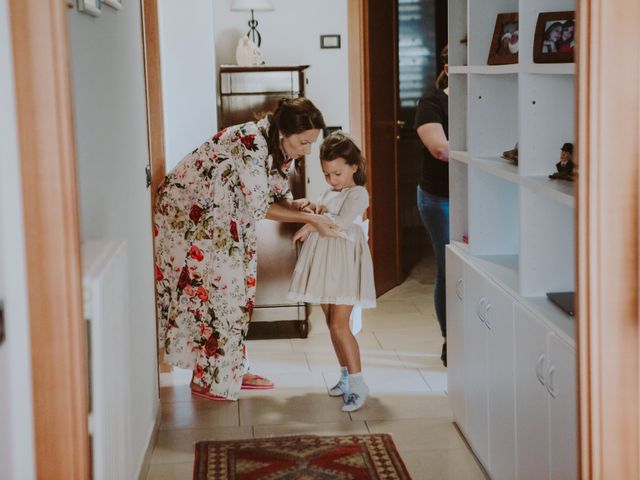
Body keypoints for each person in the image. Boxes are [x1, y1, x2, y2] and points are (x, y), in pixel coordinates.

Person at [154, 97, 337, 401]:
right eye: (304, 142)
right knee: (221, 293)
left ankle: (230, 369)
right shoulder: (250, 142)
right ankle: (211, 378)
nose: (307, 150)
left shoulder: (280, 149)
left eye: (311, 144)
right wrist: (309, 218)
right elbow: (262, 206)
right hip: (188, 215)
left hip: (224, 216)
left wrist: (303, 206)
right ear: (284, 133)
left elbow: (278, 198)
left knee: (238, 293)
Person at [288, 132, 376, 412]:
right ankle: (346, 376)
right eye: (327, 174)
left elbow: (339, 221)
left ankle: (360, 383)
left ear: (354, 167)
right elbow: (323, 208)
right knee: (331, 324)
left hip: (344, 266)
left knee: (340, 324)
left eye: (337, 173)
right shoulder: (330, 192)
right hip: (327, 265)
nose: (332, 179)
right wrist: (309, 208)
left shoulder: (359, 194)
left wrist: (311, 223)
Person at [414, 45, 450, 367]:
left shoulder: (486, 99)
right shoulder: (432, 103)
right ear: (449, 67)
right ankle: (449, 340)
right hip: (440, 199)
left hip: (476, 196)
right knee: (448, 265)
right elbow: (440, 149)